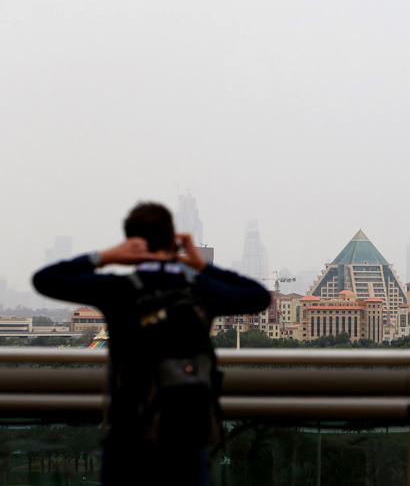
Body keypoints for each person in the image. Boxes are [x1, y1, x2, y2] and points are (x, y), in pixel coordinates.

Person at [33, 202, 271, 486]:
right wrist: (200, 264)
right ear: (173, 241)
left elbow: (45, 279)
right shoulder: (198, 290)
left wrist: (105, 256)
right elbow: (259, 296)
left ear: (132, 243)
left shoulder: (119, 289)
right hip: (187, 437)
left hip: (128, 439)